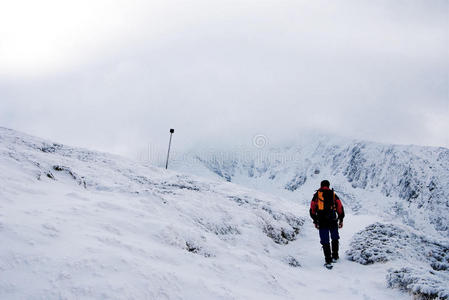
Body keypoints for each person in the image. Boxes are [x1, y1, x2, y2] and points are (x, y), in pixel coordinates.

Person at [309, 180, 345, 267]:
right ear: (328, 186)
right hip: (332, 219)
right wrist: (341, 220)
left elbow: (312, 210)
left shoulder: (317, 195)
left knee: (325, 241)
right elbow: (339, 207)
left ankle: (328, 260)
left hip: (322, 221)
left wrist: (315, 221)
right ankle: (335, 256)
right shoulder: (333, 194)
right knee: (335, 237)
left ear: (321, 185)